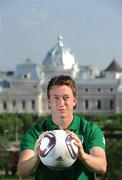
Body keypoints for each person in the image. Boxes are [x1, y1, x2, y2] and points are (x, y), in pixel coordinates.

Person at [17, 75, 107, 180]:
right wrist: (36, 157)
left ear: (74, 100)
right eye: (56, 98)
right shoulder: (35, 133)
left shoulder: (90, 129)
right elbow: (22, 171)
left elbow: (102, 166)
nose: (61, 103)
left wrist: (82, 155)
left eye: (66, 97)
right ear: (49, 101)